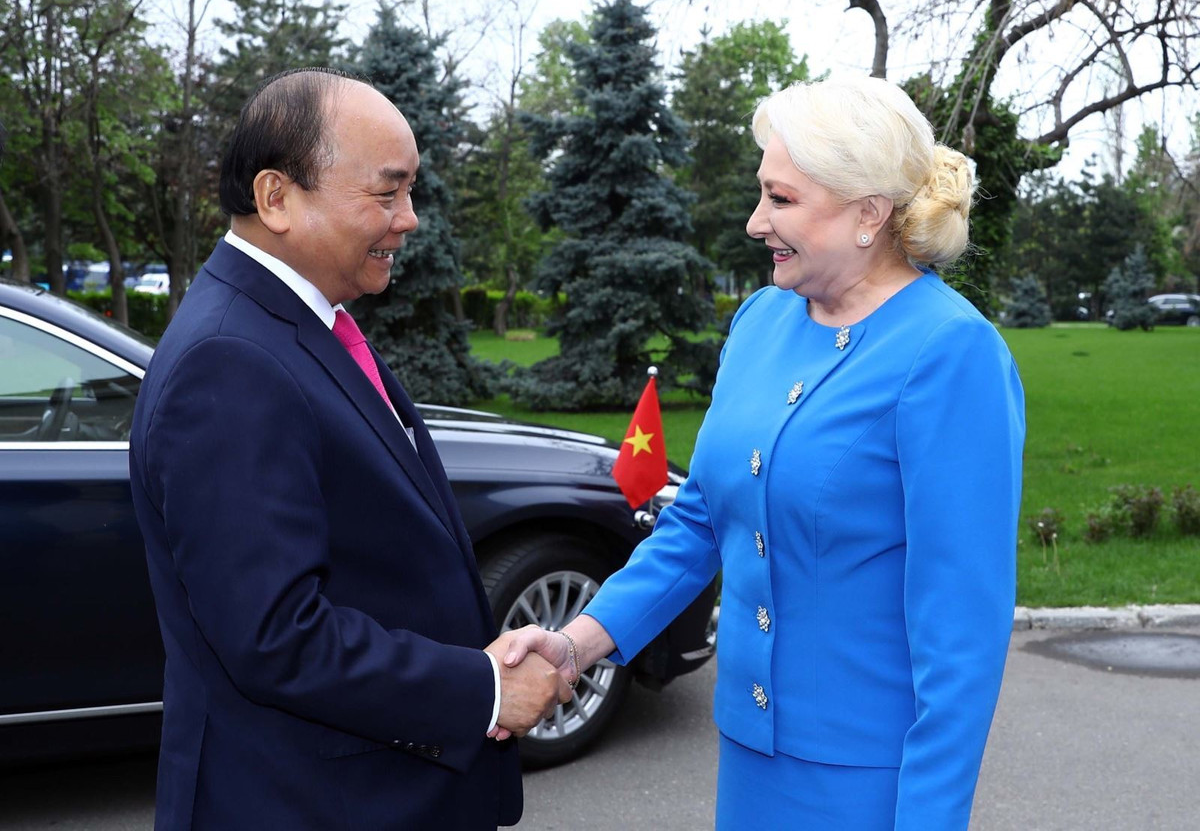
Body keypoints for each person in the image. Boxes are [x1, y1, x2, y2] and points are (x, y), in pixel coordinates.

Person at [500, 75, 1025, 830]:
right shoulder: (760, 320)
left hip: (870, 779)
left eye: (780, 199)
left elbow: (962, 629)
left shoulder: (951, 351)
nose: (755, 222)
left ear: (868, 213)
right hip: (751, 757)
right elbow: (700, 522)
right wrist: (577, 645)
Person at [129, 68, 569, 830]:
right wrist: (483, 689)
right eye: (387, 192)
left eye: (411, 191)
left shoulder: (294, 324)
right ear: (276, 197)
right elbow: (275, 637)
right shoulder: (230, 360)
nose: (410, 219)